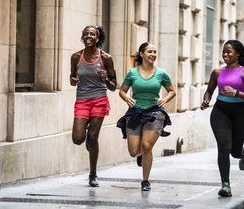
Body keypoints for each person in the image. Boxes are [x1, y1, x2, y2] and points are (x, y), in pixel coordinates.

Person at [201, 39, 244, 197]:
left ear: (238, 54)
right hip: (221, 111)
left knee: (235, 152)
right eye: (223, 52)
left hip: (242, 113)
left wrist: (237, 93)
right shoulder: (217, 72)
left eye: (229, 52)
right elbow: (209, 90)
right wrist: (206, 100)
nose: (225, 54)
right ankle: (225, 184)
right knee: (224, 146)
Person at [117, 42, 176, 191]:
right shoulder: (132, 73)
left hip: (155, 112)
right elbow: (122, 90)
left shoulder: (161, 73)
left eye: (155, 52)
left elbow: (172, 91)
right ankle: (141, 155)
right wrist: (126, 98)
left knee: (147, 146)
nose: (153, 55)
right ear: (142, 54)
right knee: (133, 151)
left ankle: (145, 181)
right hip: (135, 112)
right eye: (150, 52)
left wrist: (165, 99)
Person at [70, 25, 117, 187]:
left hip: (99, 100)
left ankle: (93, 174)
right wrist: (73, 81)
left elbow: (113, 86)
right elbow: (72, 78)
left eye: (92, 34)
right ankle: (88, 128)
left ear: (97, 38)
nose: (88, 36)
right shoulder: (76, 57)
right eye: (85, 34)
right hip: (82, 100)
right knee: (77, 139)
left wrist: (105, 79)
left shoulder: (106, 58)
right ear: (82, 37)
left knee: (92, 138)